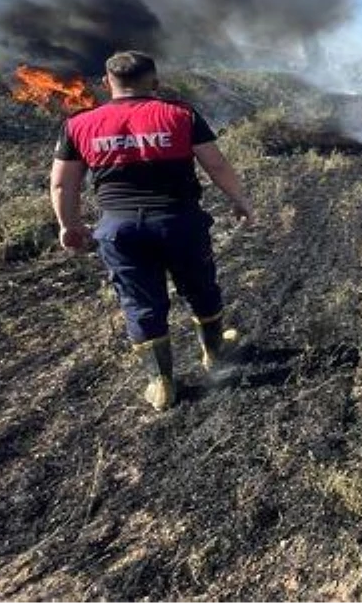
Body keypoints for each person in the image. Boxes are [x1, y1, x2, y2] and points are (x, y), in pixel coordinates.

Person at [50, 51, 255, 411]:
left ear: (106, 83)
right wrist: (240, 200)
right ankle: (214, 352)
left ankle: (161, 384)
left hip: (120, 229)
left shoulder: (79, 124)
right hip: (179, 222)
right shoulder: (180, 114)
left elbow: (63, 186)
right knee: (200, 287)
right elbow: (216, 165)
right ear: (155, 84)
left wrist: (69, 224)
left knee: (139, 302)